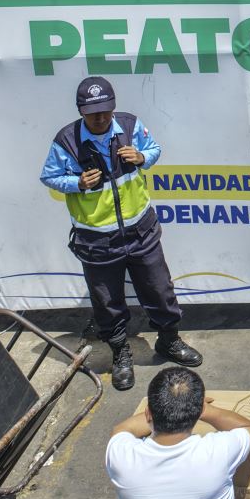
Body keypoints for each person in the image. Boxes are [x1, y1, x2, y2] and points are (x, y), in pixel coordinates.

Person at [39, 79, 201, 390]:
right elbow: (49, 176)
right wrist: (78, 183)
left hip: (141, 231)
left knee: (160, 290)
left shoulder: (129, 126)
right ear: (81, 112)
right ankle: (120, 354)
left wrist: (142, 158)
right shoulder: (67, 141)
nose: (99, 118)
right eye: (92, 114)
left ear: (113, 108)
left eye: (104, 112)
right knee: (107, 302)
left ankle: (168, 341)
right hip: (96, 241)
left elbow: (154, 149)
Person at [105, 367, 250, 499]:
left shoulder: (121, 456)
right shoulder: (217, 452)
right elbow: (249, 429)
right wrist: (205, 410)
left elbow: (121, 429)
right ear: (198, 412)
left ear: (148, 413)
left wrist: (162, 409)